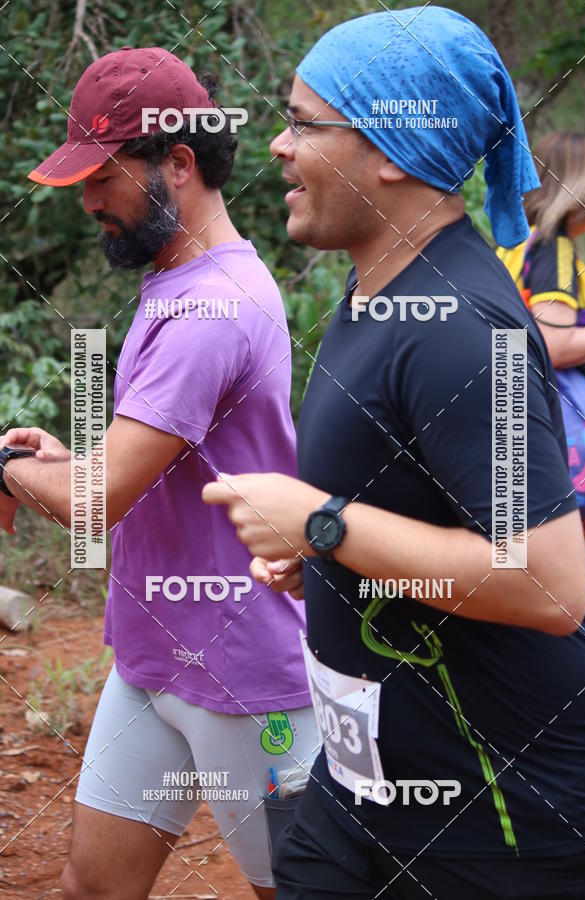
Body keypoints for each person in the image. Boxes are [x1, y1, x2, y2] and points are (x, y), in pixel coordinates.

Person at [203, 8, 585, 899]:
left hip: (499, 816)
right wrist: (339, 559)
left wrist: (324, 524)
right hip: (370, 790)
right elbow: (428, 509)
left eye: (305, 122)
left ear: (391, 149)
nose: (276, 145)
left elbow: (547, 581)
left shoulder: (461, 324)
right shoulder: (382, 290)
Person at [0, 47, 318, 900]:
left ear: (178, 163)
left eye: (102, 175)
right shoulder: (178, 284)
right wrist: (57, 462)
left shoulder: (210, 312)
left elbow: (99, 503)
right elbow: (149, 466)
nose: (88, 199)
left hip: (244, 682)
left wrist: (9, 469)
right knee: (89, 889)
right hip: (153, 663)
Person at [497, 132, 585, 617]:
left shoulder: (512, 249)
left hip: (518, 433)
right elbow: (553, 343)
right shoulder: (555, 251)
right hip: (568, 448)